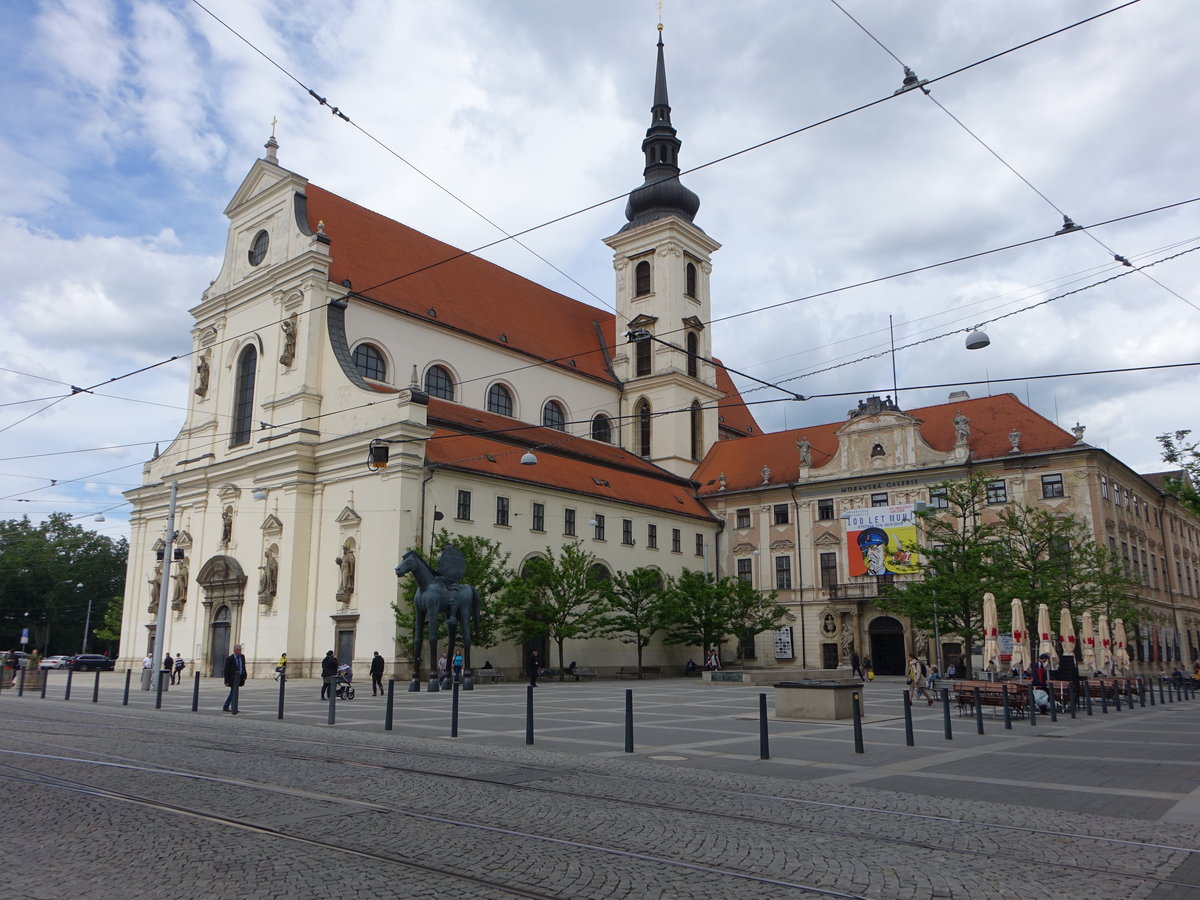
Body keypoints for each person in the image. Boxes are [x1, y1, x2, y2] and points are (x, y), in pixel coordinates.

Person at [222, 644, 246, 714]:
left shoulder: (242, 657)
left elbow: (243, 666)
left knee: (233, 693)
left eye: (240, 650)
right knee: (233, 692)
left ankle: (229, 706)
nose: (240, 651)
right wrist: (226, 681)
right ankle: (230, 707)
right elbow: (226, 671)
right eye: (239, 650)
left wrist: (244, 675)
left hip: (240, 678)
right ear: (235, 651)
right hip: (232, 679)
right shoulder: (230, 659)